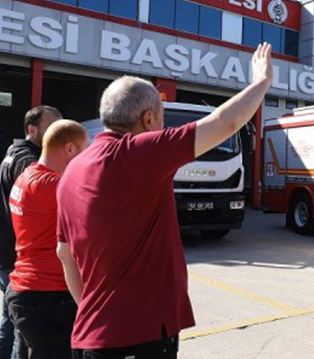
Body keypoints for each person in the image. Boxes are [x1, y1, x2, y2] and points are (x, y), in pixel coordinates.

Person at [56, 43, 274, 359]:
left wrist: (96, 313)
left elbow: (65, 254)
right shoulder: (140, 153)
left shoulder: (72, 170)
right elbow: (224, 123)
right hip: (138, 340)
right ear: (148, 119)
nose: (162, 127)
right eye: (161, 118)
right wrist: (262, 82)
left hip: (90, 335)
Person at [6, 120, 87, 359]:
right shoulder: (56, 186)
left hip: (26, 290)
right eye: (85, 149)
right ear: (70, 149)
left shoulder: (26, 176)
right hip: (49, 297)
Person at [0, 106, 62, 359]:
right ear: (31, 129)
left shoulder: (14, 153)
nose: (55, 135)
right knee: (18, 330)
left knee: (10, 322)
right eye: (51, 129)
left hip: (13, 254)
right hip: (17, 257)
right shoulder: (28, 161)